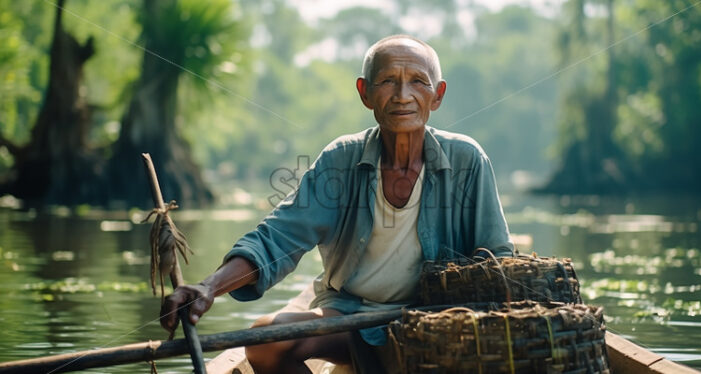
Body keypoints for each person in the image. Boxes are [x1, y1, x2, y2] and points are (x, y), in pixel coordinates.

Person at [160, 34, 513, 373]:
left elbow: (497, 257)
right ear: (366, 93)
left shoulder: (467, 160)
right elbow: (276, 240)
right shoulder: (341, 159)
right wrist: (208, 287)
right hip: (351, 317)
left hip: (436, 321)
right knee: (264, 341)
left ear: (437, 96)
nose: (403, 95)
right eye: (388, 81)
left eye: (418, 82)